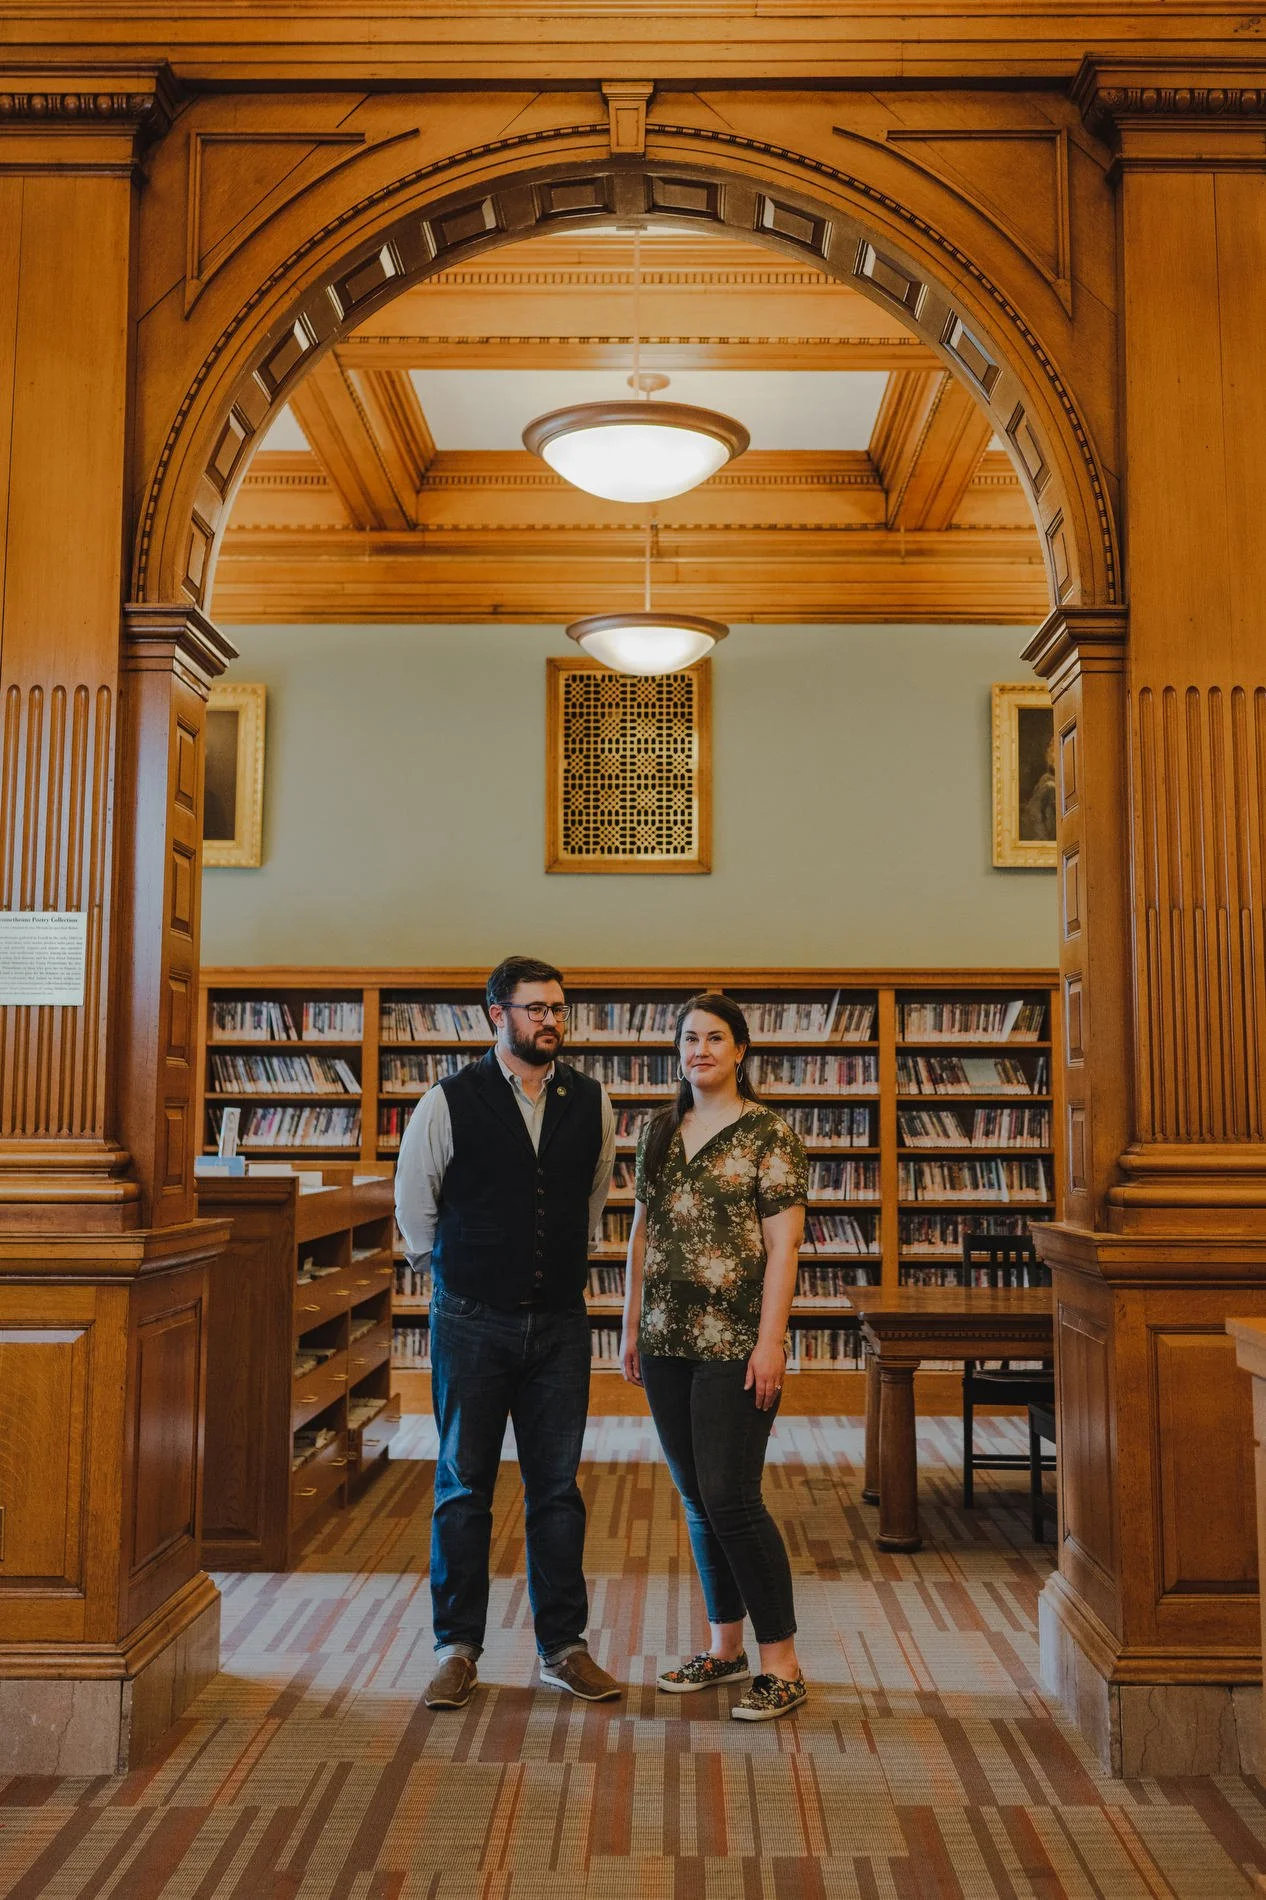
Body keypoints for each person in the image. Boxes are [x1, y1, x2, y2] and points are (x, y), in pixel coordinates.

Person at [395, 954, 619, 1710]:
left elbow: (591, 1199)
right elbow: (415, 1204)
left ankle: (564, 1648)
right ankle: (456, 1649)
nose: (551, 1020)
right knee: (463, 1486)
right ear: (498, 1014)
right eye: (535, 1008)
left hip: (559, 1322)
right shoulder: (448, 1100)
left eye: (558, 1008)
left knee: (557, 1489)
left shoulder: (593, 1100)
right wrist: (456, 1271)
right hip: (471, 1319)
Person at [620, 992, 809, 1721]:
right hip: (665, 1340)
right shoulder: (658, 1130)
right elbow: (641, 1235)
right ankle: (725, 1648)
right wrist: (629, 1326)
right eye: (689, 1038)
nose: (699, 1050)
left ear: (740, 1051)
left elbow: (784, 1246)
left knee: (732, 1497)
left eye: (714, 1038)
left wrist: (771, 1342)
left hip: (736, 1343)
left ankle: (783, 1664)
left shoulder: (770, 1134)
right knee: (698, 1498)